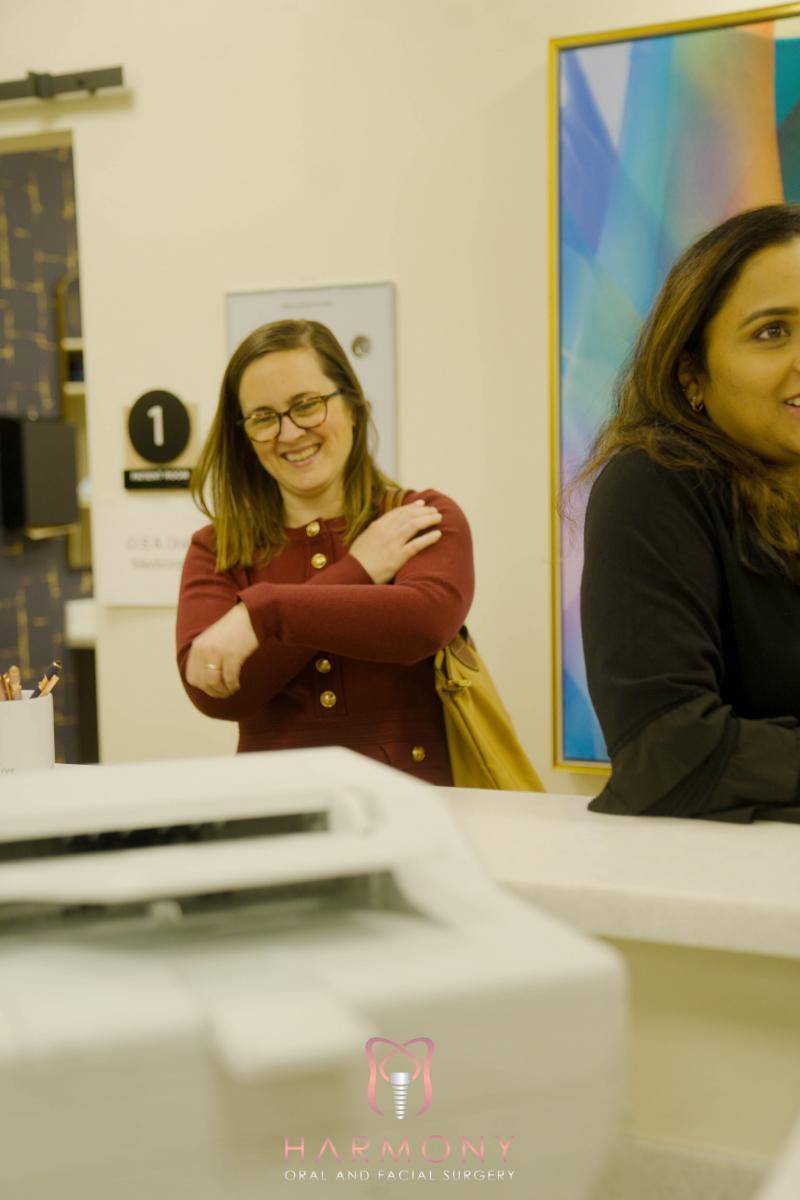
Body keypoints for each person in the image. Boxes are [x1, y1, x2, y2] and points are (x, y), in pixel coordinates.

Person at [176, 318, 473, 786]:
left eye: (307, 405)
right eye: (263, 417)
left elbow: (425, 622)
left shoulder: (421, 516)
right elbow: (219, 695)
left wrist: (263, 614)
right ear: (246, 436)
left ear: (352, 407)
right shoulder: (216, 548)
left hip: (416, 810)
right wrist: (358, 571)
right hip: (273, 816)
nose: (290, 433)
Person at [579, 203, 800, 823]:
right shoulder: (653, 485)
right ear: (691, 374)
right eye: (771, 331)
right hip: (733, 895)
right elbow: (667, 752)